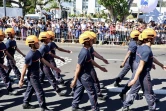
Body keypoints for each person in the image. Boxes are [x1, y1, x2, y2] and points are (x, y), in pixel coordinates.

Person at [122, 29, 166, 111]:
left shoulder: (142, 47)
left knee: (134, 90)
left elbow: (150, 58)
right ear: (149, 39)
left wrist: (160, 65)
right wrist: (134, 79)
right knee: (148, 91)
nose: (155, 39)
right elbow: (141, 66)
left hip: (137, 71)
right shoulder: (147, 50)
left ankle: (126, 106)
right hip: (143, 73)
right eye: (154, 37)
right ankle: (152, 108)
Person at [19, 35, 61, 111]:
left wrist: (54, 68)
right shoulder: (30, 55)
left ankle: (25, 103)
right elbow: (24, 67)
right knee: (40, 91)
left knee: (30, 89)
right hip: (32, 76)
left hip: (35, 74)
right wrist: (21, 80)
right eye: (36, 43)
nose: (38, 44)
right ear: (32, 44)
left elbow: (44, 61)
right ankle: (43, 107)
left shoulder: (37, 52)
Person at [71, 33, 107, 111]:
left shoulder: (87, 50)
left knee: (79, 90)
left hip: (83, 74)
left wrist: (100, 67)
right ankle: (95, 108)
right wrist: (74, 80)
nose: (93, 41)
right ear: (87, 42)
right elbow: (78, 66)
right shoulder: (84, 52)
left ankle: (74, 106)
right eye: (91, 40)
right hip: (85, 75)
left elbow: (91, 61)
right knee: (92, 92)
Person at [38, 32, 65, 96]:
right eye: (48, 38)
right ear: (44, 39)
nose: (49, 39)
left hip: (47, 63)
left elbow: (51, 54)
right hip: (44, 65)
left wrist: (60, 58)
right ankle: (58, 91)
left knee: (41, 78)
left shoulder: (46, 46)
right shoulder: (43, 48)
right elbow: (40, 58)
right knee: (51, 78)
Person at [0, 30, 18, 95]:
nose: (4, 37)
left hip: (1, 62)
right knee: (4, 76)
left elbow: (6, 52)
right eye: (2, 36)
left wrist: (12, 59)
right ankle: (10, 90)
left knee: (4, 76)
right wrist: (2, 65)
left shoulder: (2, 44)